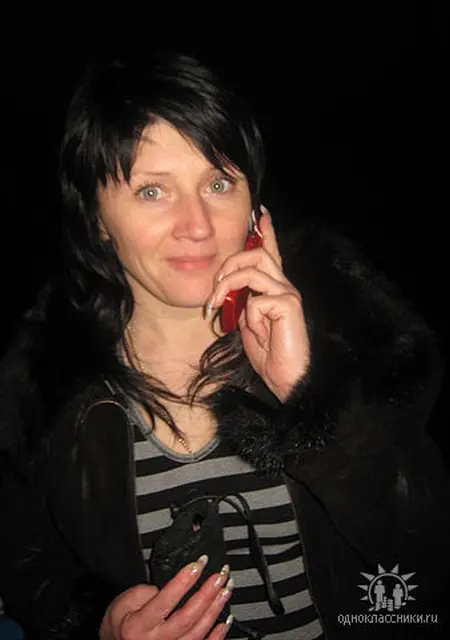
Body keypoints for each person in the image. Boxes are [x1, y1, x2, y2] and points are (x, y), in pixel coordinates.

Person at [0, 52, 449, 640]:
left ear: (255, 205)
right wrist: (97, 623)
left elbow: (426, 555)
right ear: (97, 219)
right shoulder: (44, 382)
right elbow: (24, 554)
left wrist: (309, 397)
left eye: (218, 183)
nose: (197, 225)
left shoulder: (349, 338)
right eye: (152, 191)